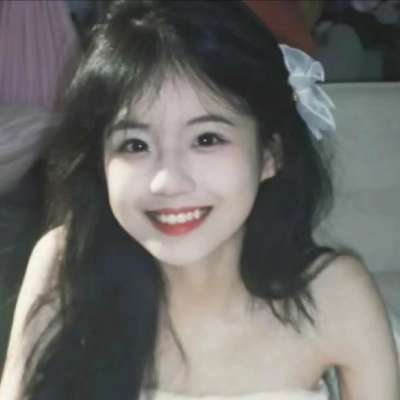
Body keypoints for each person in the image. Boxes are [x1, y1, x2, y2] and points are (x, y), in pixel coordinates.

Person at [0, 1, 399, 399]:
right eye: (135, 144)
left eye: (206, 139)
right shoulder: (66, 266)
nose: (168, 181)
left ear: (270, 154)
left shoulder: (333, 294)